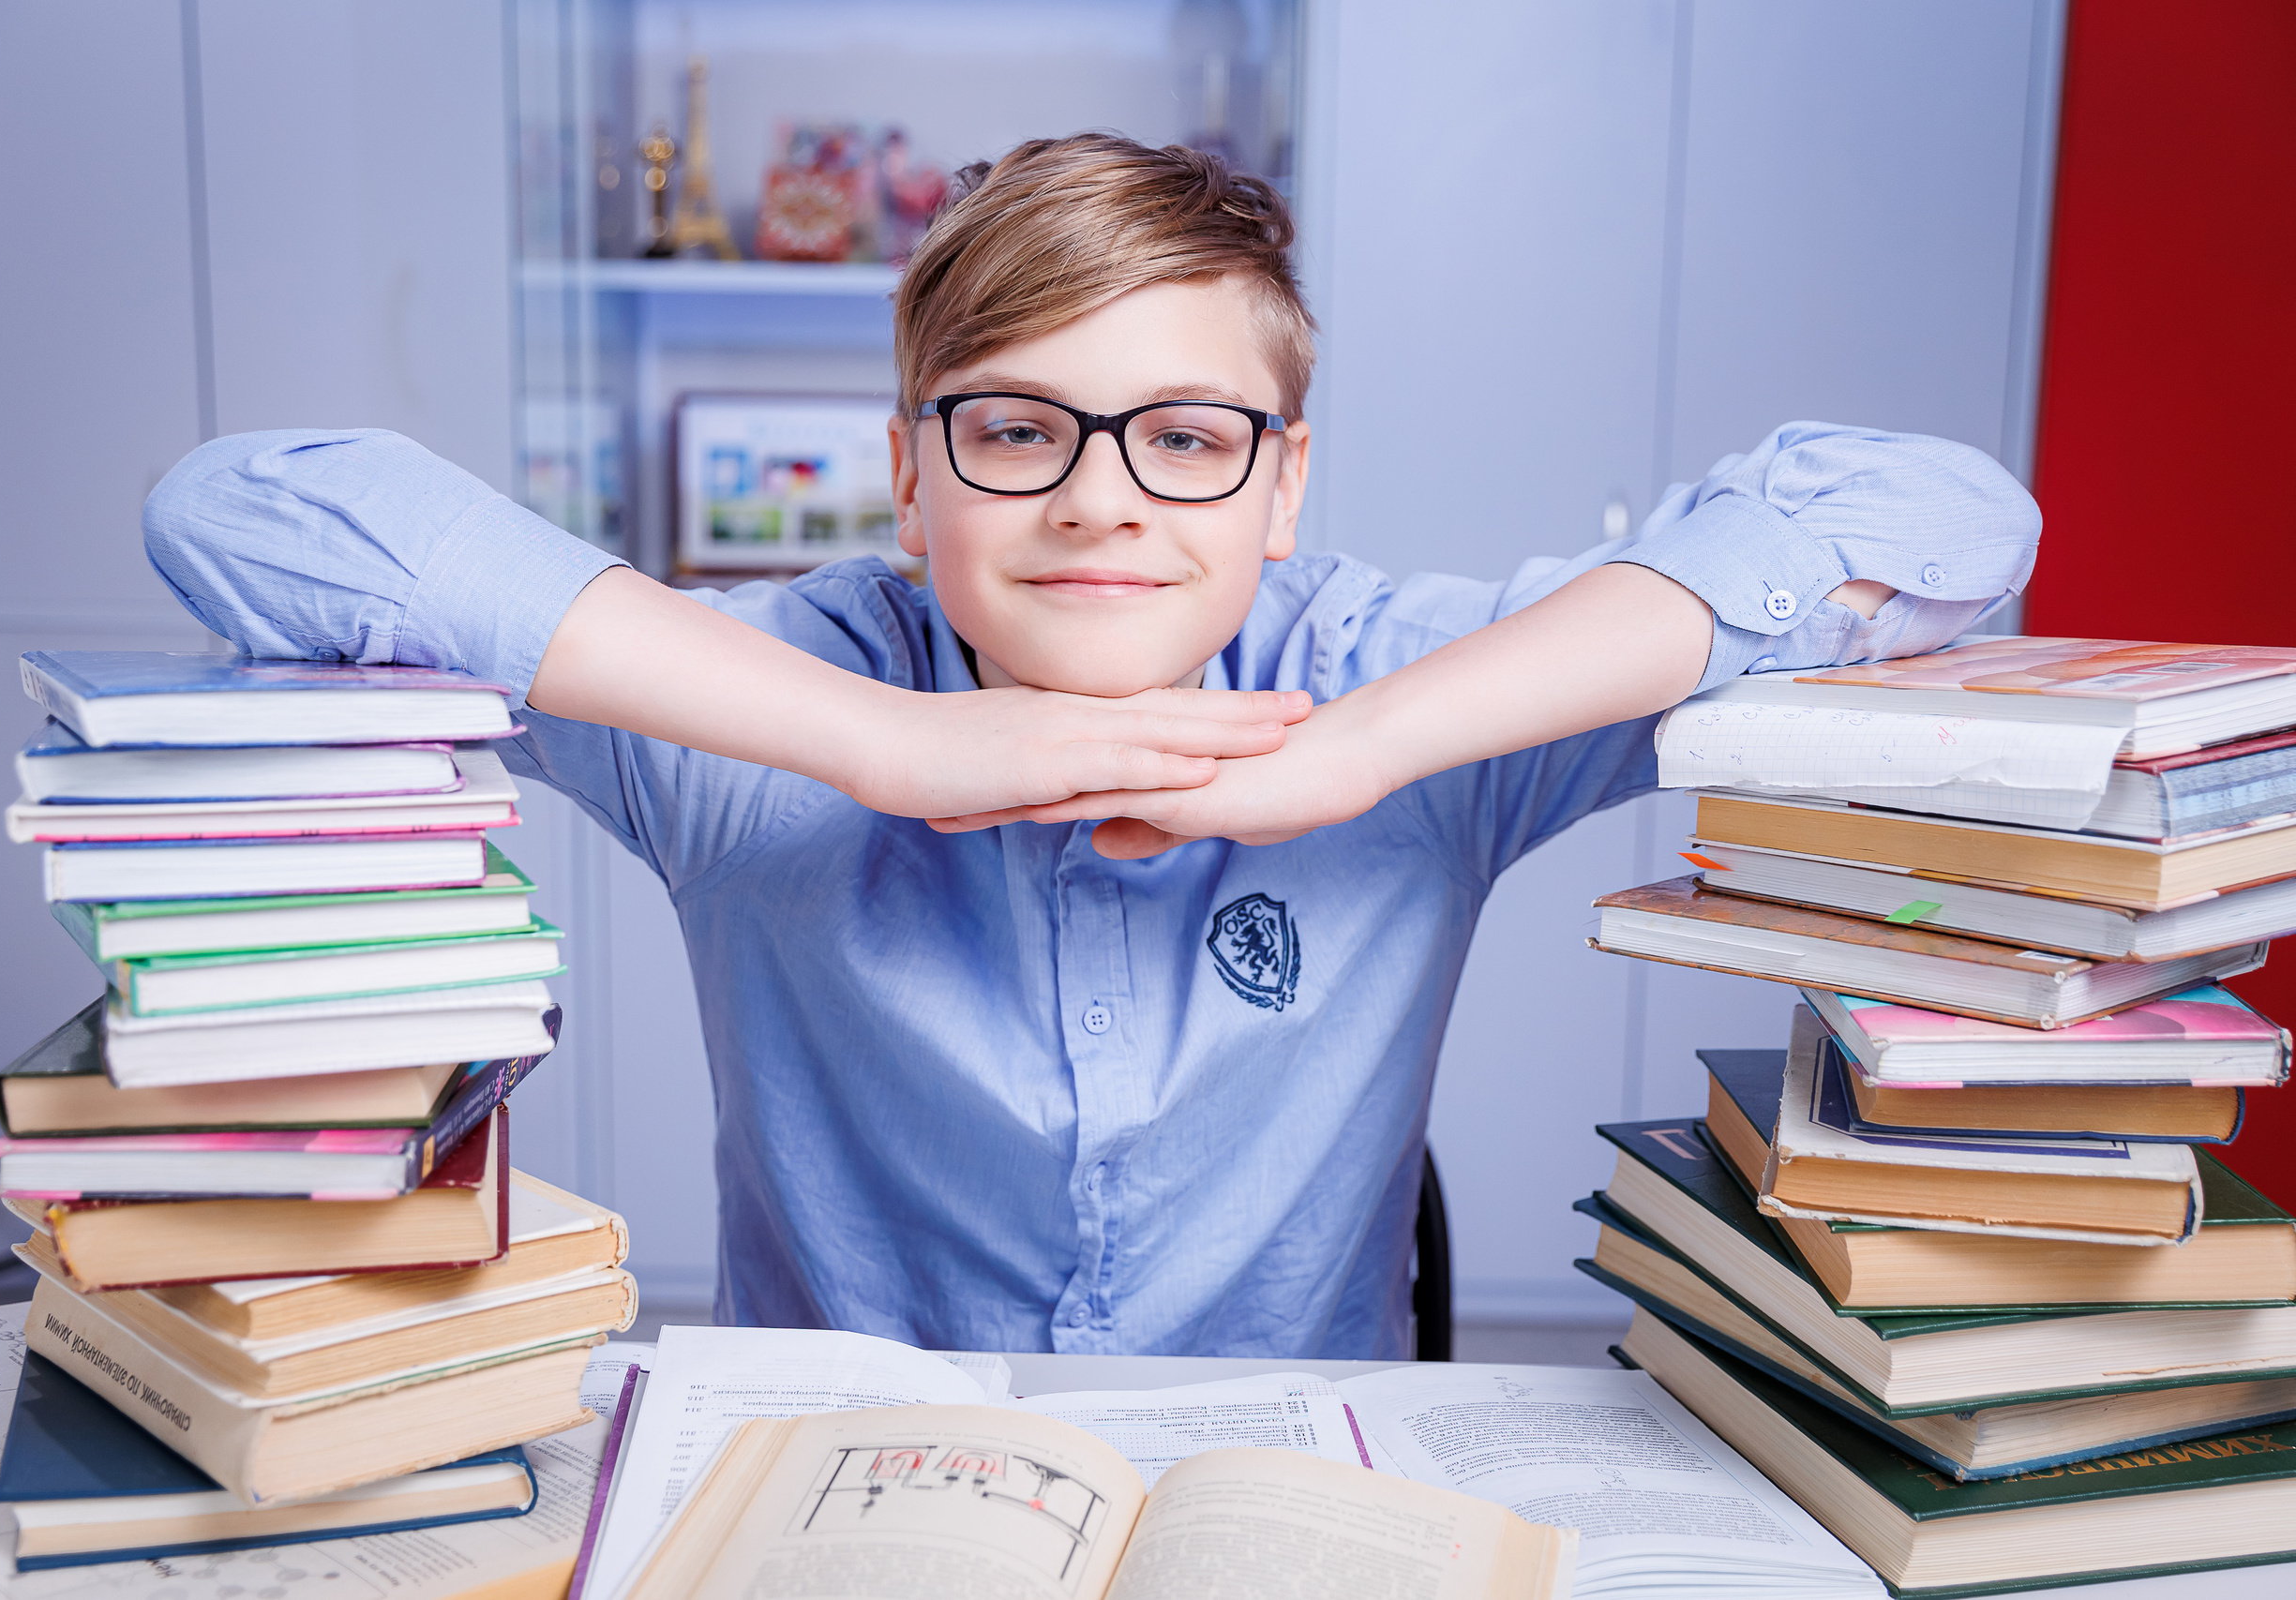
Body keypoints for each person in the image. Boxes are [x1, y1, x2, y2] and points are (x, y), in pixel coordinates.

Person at [143, 134, 2038, 1358]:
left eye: (1187, 435)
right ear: (907, 473)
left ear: (1281, 486)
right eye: (1016, 427)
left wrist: (1359, 750)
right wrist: (883, 744)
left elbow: (1943, 520)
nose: (1100, 501)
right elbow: (253, 511)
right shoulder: (760, 708)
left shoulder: (1414, 686)